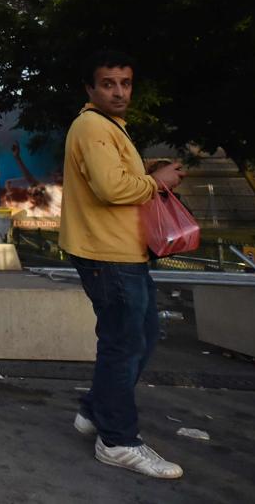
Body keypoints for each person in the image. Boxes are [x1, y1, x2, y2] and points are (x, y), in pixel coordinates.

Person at [61, 50, 186, 479]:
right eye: (109, 84)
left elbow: (114, 179)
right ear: (90, 89)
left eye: (125, 83)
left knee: (140, 337)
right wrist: (157, 182)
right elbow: (113, 190)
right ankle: (117, 441)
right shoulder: (94, 126)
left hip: (119, 251)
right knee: (124, 345)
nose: (119, 91)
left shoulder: (108, 127)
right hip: (108, 254)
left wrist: (147, 173)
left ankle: (96, 410)